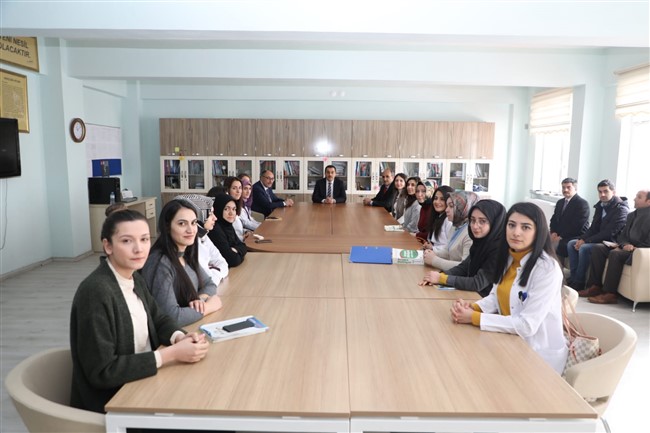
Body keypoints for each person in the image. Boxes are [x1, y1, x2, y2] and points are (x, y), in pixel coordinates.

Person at [70, 209, 209, 413]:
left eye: (144, 239)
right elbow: (103, 371)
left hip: (144, 382)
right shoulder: (96, 292)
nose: (139, 249)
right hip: (115, 404)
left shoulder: (133, 277)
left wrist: (180, 337)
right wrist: (170, 354)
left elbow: (159, 318)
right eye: (127, 241)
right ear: (108, 246)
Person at [450, 202, 568, 374]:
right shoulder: (509, 257)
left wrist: (474, 317)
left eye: (525, 227)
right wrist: (473, 307)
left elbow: (527, 325)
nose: (516, 232)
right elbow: (495, 296)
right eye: (511, 225)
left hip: (537, 356)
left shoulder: (547, 268)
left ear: (538, 231)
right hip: (509, 342)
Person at [141, 200, 222, 327]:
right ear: (167, 227)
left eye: (193, 223)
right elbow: (171, 317)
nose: (190, 230)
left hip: (189, 328)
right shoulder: (161, 263)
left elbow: (209, 284)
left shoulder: (186, 254)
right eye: (182, 223)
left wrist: (200, 300)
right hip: (169, 336)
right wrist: (208, 307)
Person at [420, 199, 506, 297]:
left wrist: (442, 279)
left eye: (482, 221)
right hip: (474, 297)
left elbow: (478, 283)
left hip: (486, 302)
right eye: (472, 220)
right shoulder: (480, 243)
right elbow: (464, 268)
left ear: (495, 222)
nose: (475, 226)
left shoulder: (499, 249)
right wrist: (440, 275)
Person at [581, 189, 650, 304]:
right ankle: (595, 286)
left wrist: (632, 247)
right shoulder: (631, 215)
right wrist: (624, 244)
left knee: (615, 254)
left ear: (648, 201)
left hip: (639, 252)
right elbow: (622, 236)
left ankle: (610, 294)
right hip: (626, 247)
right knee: (598, 248)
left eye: (639, 197)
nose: (634, 199)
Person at [566, 179, 629, 291]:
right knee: (572, 244)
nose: (602, 194)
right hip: (598, 239)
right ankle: (574, 278)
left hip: (611, 242)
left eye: (606, 191)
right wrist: (582, 239)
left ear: (613, 192)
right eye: (600, 192)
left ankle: (579, 283)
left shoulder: (621, 209)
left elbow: (609, 233)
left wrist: (586, 241)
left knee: (584, 248)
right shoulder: (600, 206)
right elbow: (593, 228)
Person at [174, 194, 229, 287]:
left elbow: (223, 263)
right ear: (200, 216)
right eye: (210, 214)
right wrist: (215, 271)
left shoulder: (203, 236)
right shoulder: (189, 241)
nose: (215, 218)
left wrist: (212, 271)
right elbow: (205, 282)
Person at [424, 190, 479, 271]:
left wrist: (434, 260)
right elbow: (447, 251)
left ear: (463, 208)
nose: (446, 210)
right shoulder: (455, 226)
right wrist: (432, 253)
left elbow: (465, 267)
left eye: (451, 206)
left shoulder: (471, 233)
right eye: (447, 206)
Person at [549, 177, 590, 260]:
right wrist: (553, 232)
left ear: (575, 189)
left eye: (568, 187)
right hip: (560, 234)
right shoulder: (560, 202)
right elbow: (554, 219)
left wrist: (561, 236)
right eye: (563, 187)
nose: (565, 190)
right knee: (542, 238)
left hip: (575, 235)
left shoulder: (582, 203)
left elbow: (577, 226)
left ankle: (558, 267)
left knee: (559, 244)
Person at [208, 193, 248, 267]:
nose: (231, 213)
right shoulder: (214, 229)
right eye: (226, 209)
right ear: (219, 209)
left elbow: (243, 246)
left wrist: (235, 250)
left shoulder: (228, 225)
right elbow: (233, 260)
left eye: (234, 209)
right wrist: (239, 253)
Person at [222, 176, 248, 241]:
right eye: (234, 188)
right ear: (227, 190)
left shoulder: (237, 207)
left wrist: (246, 231)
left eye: (240, 188)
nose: (238, 191)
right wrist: (243, 237)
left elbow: (237, 230)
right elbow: (228, 235)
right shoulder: (225, 209)